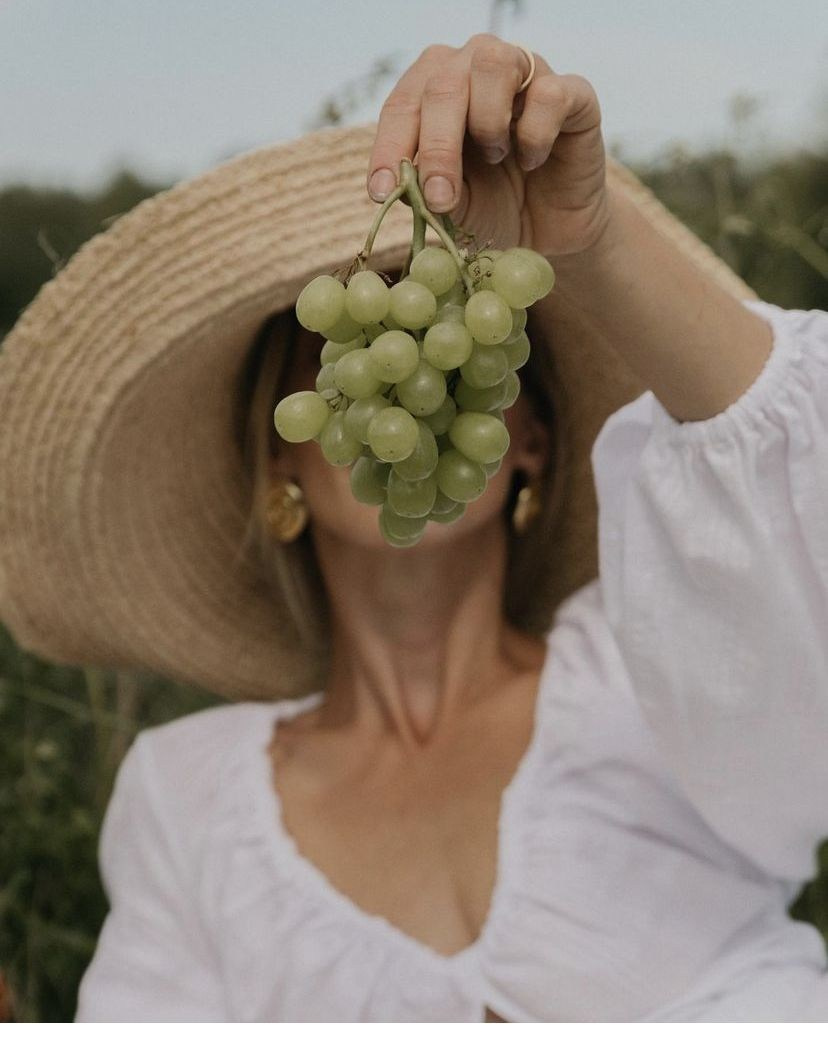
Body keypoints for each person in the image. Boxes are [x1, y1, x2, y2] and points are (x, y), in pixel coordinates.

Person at [1, 34, 827, 1023]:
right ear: (280, 457)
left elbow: (791, 494)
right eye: (354, 348)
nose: (413, 380)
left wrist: (593, 238)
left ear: (529, 438)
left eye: (443, 350)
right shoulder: (186, 796)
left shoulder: (663, 668)